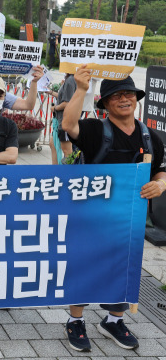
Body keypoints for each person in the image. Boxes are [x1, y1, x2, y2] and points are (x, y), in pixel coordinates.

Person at [61, 65, 166, 352]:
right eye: (116, 95)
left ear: (136, 98)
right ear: (105, 103)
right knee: (83, 266)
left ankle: (113, 320)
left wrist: (161, 184)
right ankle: (75, 320)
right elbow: (68, 126)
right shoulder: (96, 129)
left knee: (124, 268)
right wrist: (81, 89)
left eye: (129, 94)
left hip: (127, 220)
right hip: (90, 216)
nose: (124, 99)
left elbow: (161, 171)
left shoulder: (150, 137)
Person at [54, 73, 77, 161]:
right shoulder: (71, 79)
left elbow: (67, 103)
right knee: (54, 144)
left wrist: (56, 108)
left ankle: (70, 173)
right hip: (65, 120)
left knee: (67, 151)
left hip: (66, 121)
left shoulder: (71, 80)